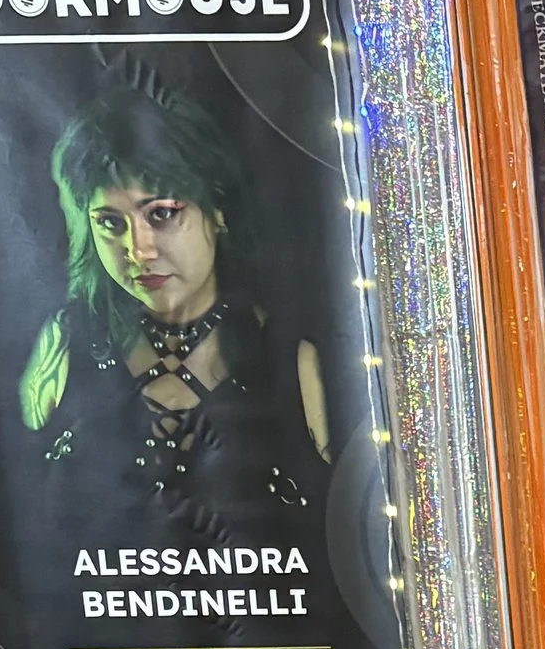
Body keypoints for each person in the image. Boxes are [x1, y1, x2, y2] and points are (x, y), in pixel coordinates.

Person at [19, 78, 332, 517]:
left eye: (161, 214)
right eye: (110, 223)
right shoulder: (64, 344)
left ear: (218, 209)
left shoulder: (297, 360)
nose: (138, 250)